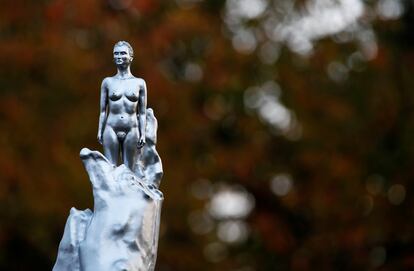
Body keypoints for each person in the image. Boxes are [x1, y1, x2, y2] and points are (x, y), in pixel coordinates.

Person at [97, 41, 147, 171]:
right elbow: (103, 110)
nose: (119, 56)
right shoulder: (107, 82)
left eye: (123, 53)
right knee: (110, 170)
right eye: (116, 54)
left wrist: (143, 134)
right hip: (111, 127)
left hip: (132, 129)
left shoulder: (139, 83)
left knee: (129, 171)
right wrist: (100, 130)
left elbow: (142, 112)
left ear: (130, 57)